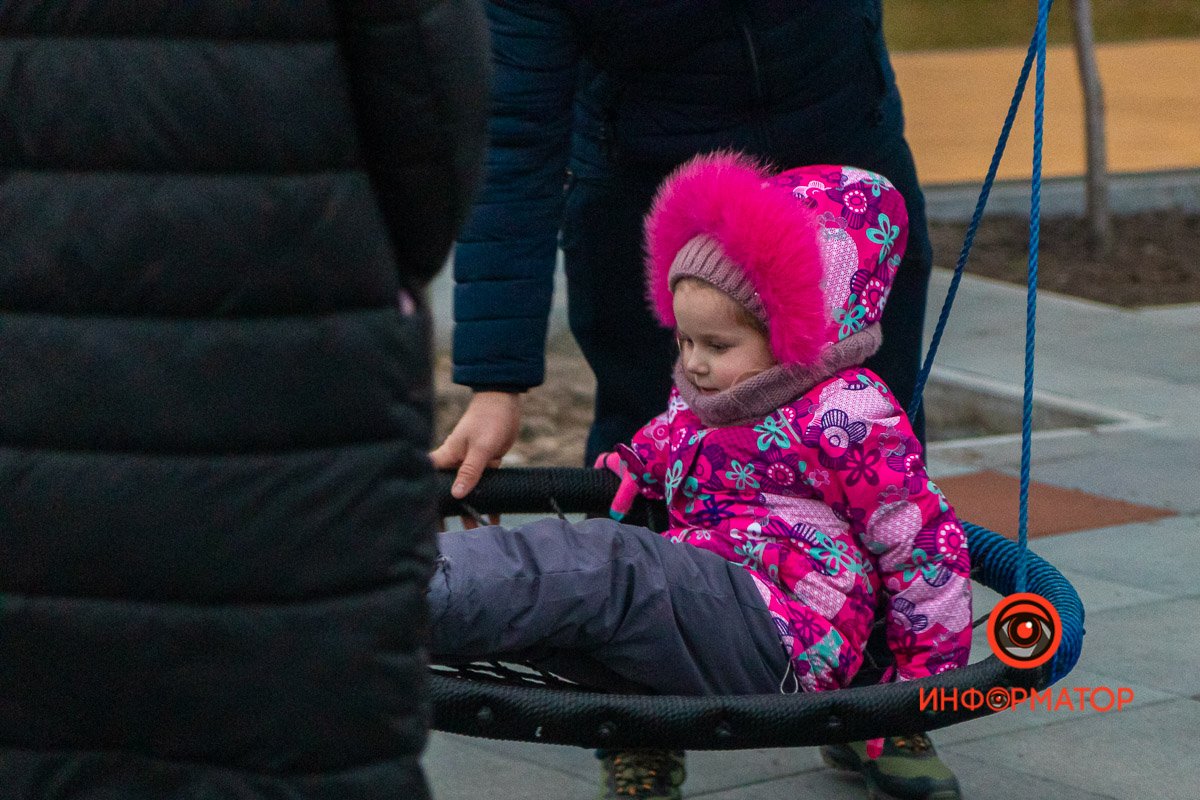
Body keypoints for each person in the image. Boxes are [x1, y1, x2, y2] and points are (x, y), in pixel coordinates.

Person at [0, 3, 489, 799]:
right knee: (294, 732)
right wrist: (361, 268)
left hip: (33, 371)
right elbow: (434, 107)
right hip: (295, 365)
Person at [430, 155, 972, 800]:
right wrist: (634, 464)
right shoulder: (712, 396)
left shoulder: (847, 416)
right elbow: (672, 435)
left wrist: (915, 693)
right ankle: (409, 604)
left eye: (717, 346)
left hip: (784, 630)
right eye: (685, 341)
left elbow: (924, 547)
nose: (694, 365)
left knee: (608, 566)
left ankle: (403, 592)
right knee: (568, 612)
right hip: (712, 601)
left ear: (799, 329)